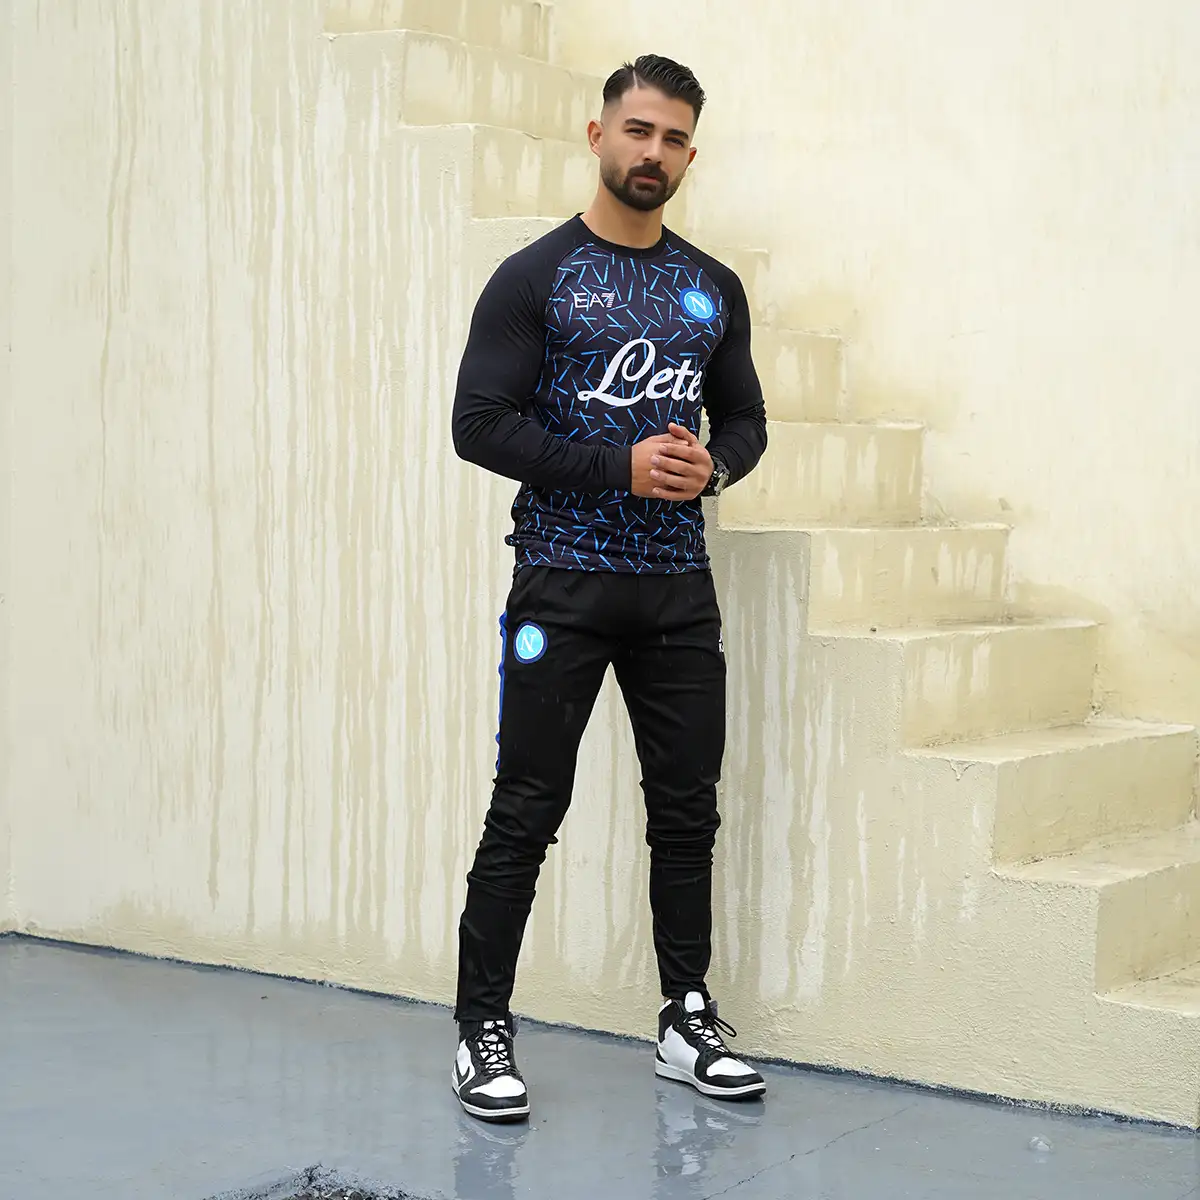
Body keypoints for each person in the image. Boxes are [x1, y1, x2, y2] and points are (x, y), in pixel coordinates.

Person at [449, 53, 768, 1124]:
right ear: (598, 136)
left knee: (687, 814)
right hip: (561, 587)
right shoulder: (536, 277)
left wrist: (713, 469)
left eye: (674, 138)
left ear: (689, 154)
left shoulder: (712, 288)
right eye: (638, 130)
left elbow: (748, 421)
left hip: (677, 592)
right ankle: (481, 1028)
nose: (653, 152)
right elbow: (478, 425)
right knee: (526, 807)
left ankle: (686, 1017)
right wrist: (614, 468)